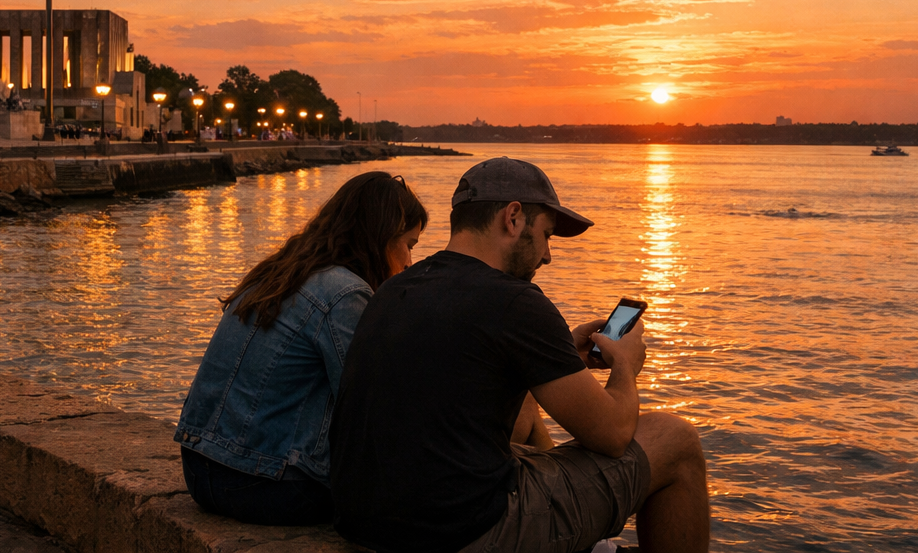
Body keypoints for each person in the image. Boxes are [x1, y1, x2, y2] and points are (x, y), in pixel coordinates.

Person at [330, 157, 711, 553]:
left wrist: (560, 356)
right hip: (461, 533)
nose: (547, 255)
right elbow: (612, 435)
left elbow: (458, 374)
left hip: (364, 523)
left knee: (530, 448)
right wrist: (625, 366)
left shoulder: (396, 288)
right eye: (546, 234)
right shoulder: (513, 300)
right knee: (676, 439)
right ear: (512, 218)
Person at [174, 171, 430, 526]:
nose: (409, 262)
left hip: (201, 471)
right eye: (410, 244)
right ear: (381, 237)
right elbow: (372, 407)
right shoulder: (346, 293)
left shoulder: (278, 273)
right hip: (265, 485)